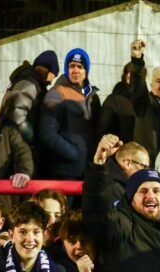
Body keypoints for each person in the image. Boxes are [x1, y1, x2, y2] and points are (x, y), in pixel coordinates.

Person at [83, 144, 160, 272]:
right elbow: (97, 211)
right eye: (143, 191)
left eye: (157, 191)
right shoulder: (122, 225)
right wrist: (98, 167)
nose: (150, 196)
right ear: (131, 199)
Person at [39, 48, 101, 180]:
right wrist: (74, 154)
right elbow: (47, 133)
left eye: (80, 66)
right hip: (65, 171)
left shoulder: (93, 96)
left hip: (88, 169)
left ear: (86, 71)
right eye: (72, 66)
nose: (76, 70)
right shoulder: (56, 94)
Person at [1, 50, 59, 148]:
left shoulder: (25, 81)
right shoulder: (30, 84)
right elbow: (17, 115)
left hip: (16, 141)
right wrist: (33, 139)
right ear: (48, 70)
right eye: (53, 75)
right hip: (21, 144)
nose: (52, 81)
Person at [91, 134, 150, 206]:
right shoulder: (109, 188)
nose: (147, 172)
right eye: (143, 166)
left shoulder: (127, 186)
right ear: (128, 163)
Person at [98, 61, 138, 145]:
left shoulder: (146, 100)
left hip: (140, 152)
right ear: (126, 76)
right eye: (129, 73)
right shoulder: (113, 100)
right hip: (118, 150)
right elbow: (102, 129)